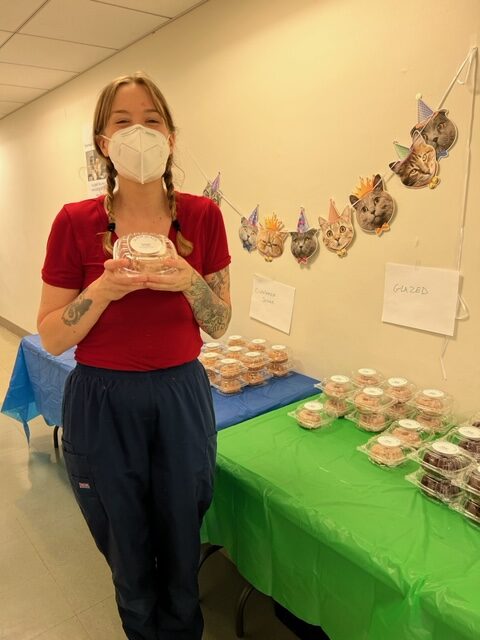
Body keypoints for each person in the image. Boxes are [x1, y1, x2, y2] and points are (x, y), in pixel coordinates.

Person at [37, 72, 232, 640]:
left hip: (180, 396)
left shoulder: (202, 217)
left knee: (180, 541)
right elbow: (51, 337)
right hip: (102, 398)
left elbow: (218, 324)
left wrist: (187, 278)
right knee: (125, 548)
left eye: (151, 120)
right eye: (122, 122)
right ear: (102, 141)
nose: (138, 133)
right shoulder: (76, 223)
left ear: (171, 135)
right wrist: (102, 289)